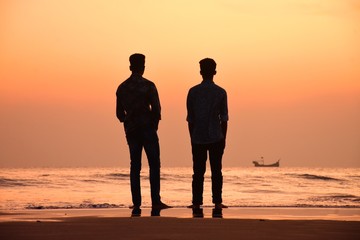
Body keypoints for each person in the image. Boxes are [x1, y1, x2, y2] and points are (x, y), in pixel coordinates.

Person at [116, 53, 170, 216]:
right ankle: (155, 200)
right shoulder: (149, 85)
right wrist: (154, 126)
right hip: (148, 129)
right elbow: (157, 110)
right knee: (154, 164)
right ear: (143, 67)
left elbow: (119, 114)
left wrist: (128, 121)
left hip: (132, 130)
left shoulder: (122, 87)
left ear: (130, 66)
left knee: (135, 165)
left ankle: (136, 202)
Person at [186, 58, 228, 216]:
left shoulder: (193, 91)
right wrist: (224, 137)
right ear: (215, 72)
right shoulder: (221, 92)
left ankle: (196, 202)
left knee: (198, 172)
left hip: (197, 137)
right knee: (217, 170)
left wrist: (192, 137)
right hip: (216, 136)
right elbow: (223, 118)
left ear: (201, 72)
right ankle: (217, 202)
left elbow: (191, 119)